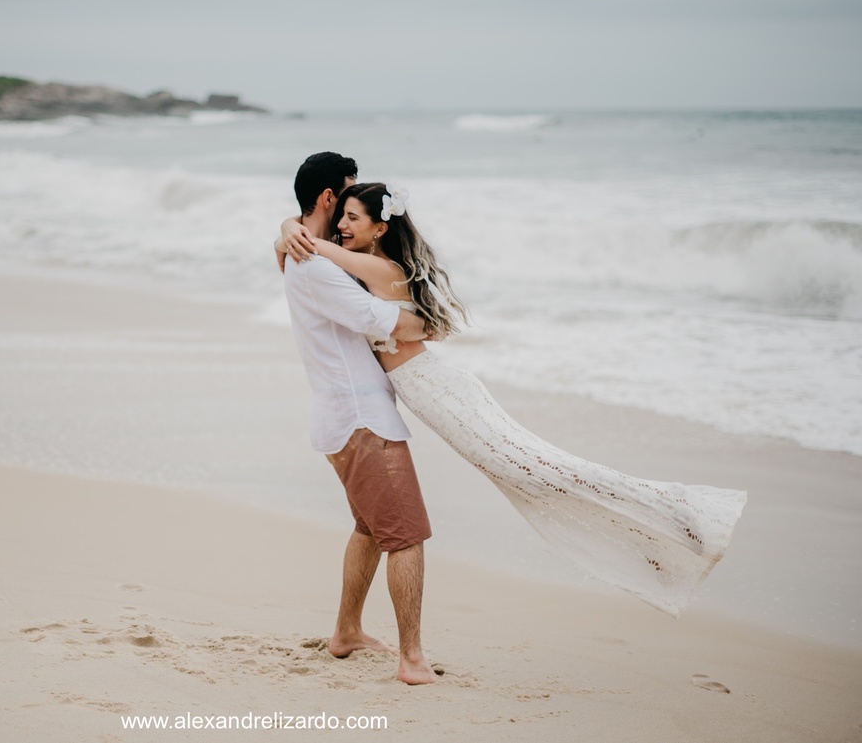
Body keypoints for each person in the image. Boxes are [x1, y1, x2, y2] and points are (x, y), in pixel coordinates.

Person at [278, 182, 747, 617]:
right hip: (436, 392)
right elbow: (307, 250)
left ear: (381, 228)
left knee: (540, 472)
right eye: (341, 216)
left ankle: (676, 513)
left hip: (441, 393)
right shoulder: (369, 265)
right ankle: (654, 536)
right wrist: (286, 230)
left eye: (354, 218)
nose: (342, 225)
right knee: (533, 477)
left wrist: (290, 230)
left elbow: (310, 247)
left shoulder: (379, 267)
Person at [280, 153, 440, 685]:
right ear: (329, 198)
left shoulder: (299, 249)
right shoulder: (315, 264)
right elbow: (380, 319)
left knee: (372, 529)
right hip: (360, 420)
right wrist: (431, 323)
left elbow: (286, 242)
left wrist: (287, 230)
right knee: (405, 535)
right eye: (347, 198)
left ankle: (346, 632)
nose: (351, 210)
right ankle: (412, 659)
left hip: (344, 416)